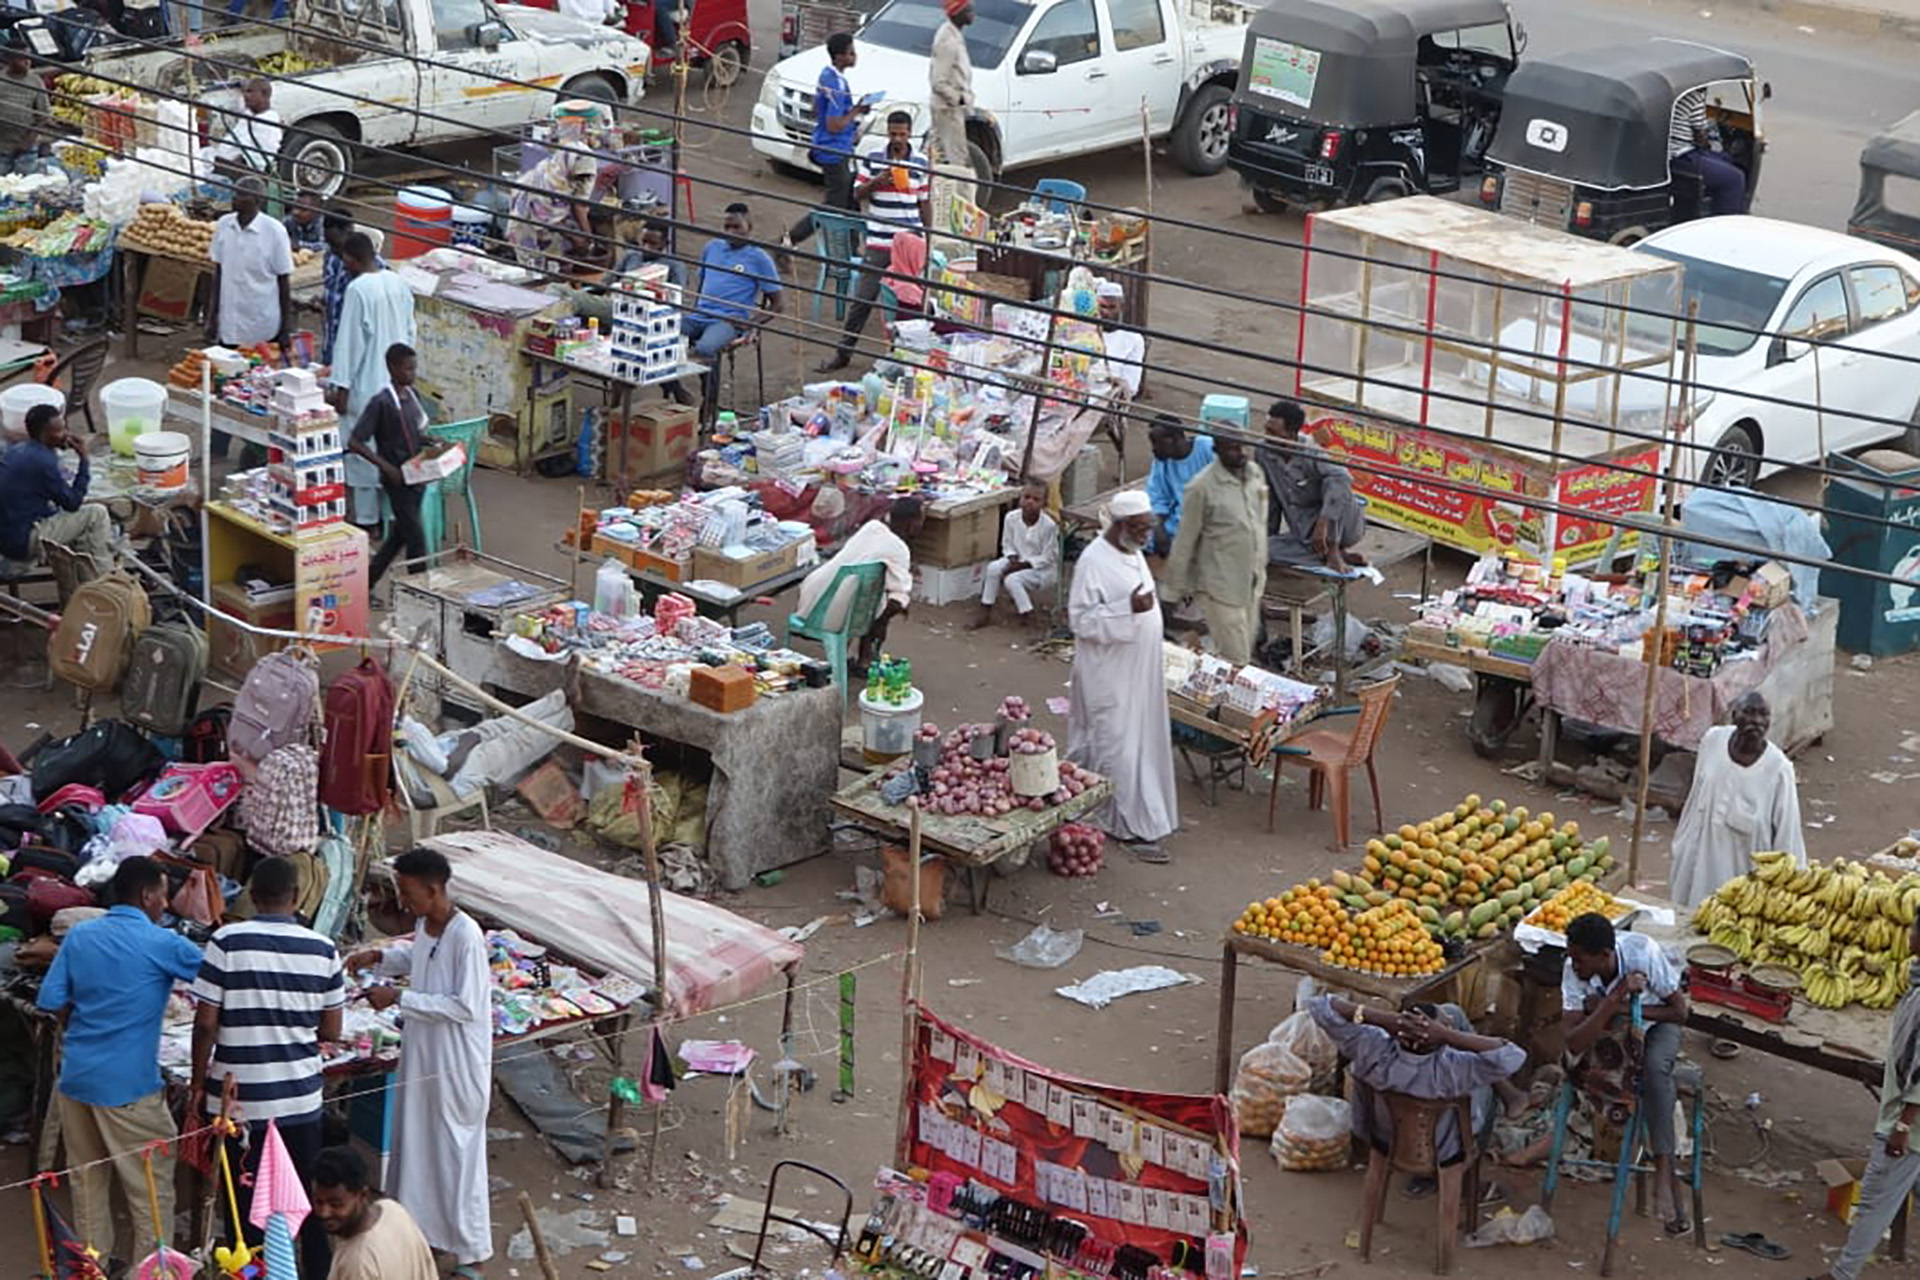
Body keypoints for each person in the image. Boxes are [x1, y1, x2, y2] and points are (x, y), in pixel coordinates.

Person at [35, 857, 204, 1269]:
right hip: (128, 1084)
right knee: (148, 1189)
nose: (166, 904)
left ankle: (93, 1270)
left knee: (88, 1184)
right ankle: (153, 1273)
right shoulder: (163, 943)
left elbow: (51, 1000)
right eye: (164, 894)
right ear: (148, 896)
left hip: (77, 1079)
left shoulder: (80, 937)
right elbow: (217, 978)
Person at [190, 856, 345, 1280]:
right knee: (306, 1199)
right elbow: (331, 1029)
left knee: (244, 1206)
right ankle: (314, 1271)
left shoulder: (226, 941)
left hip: (240, 1104)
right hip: (299, 1098)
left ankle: (255, 1271)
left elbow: (205, 1024)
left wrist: (197, 1084)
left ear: (253, 897)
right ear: (296, 898)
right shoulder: (324, 948)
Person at [343, 848, 492, 1276]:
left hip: (456, 1062)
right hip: (424, 1054)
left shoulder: (467, 936)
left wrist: (400, 998)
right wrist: (380, 958)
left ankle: (472, 1254)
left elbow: (465, 1005)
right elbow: (419, 958)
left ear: (433, 889)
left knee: (456, 1156)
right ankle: (424, 1238)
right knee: (421, 1150)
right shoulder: (428, 925)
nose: (403, 903)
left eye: (408, 893)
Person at [1308, 995, 1527, 1197]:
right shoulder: (1456, 1067)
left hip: (1382, 1139)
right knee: (1487, 1086)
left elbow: (1319, 1005)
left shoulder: (1371, 1047)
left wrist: (1385, 1019)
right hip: (1444, 1150)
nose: (1448, 1022)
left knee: (1453, 1011)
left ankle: (1512, 1097)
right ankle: (1466, 1182)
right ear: (1435, 1037)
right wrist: (1448, 1035)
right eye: (1444, 1024)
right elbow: (1514, 1056)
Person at [1562, 913, 1691, 1235]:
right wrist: (1616, 998)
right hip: (1611, 1033)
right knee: (1589, 1072)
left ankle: (1663, 1168)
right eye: (1571, 956)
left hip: (1657, 1025)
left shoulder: (1642, 952)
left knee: (1652, 1073)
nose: (1573, 965)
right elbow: (1574, 1041)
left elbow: (1679, 1012)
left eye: (1580, 959)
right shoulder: (1572, 970)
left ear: (1605, 955)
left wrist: (1612, 1008)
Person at [1067, 490, 1178, 860]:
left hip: (1139, 669)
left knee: (1139, 740)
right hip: (1108, 671)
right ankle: (1122, 824)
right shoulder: (1092, 561)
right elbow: (1080, 621)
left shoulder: (1132, 552)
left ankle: (1141, 811)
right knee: (1116, 744)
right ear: (1120, 526)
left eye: (1149, 528)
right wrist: (1126, 608)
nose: (1147, 535)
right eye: (1140, 528)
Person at [1810, 911, 1920, 1280]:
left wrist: (1903, 1126)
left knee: (1875, 1201)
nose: (1909, 934)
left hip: (1910, 1125)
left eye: (1914, 929)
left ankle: (1842, 1275)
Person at [817, 110, 934, 373]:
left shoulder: (921, 161)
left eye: (902, 134)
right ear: (887, 133)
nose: (898, 139)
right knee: (863, 300)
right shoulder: (872, 159)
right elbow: (857, 194)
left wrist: (929, 235)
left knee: (910, 302)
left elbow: (924, 201)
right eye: (893, 134)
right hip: (879, 241)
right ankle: (843, 353)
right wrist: (878, 181)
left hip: (909, 243)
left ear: (910, 133)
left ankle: (906, 358)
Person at [1670, 692, 1805, 909]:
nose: (1757, 721)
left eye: (1763, 715)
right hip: (1694, 865)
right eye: (1749, 713)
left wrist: (1788, 887)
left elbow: (1788, 835)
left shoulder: (1778, 769)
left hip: (1740, 880)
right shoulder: (1713, 741)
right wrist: (1682, 844)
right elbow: (1696, 796)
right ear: (1734, 716)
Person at [330, 232, 418, 529]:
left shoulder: (358, 290)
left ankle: (367, 520)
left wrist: (340, 387)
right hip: (395, 384)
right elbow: (410, 331)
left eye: (346, 260)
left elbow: (349, 343)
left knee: (364, 453)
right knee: (392, 449)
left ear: (352, 259)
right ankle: (392, 518)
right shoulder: (398, 282)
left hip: (366, 384)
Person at [1162, 436, 1268, 665]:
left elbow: (1258, 522)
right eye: (1232, 448)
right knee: (1236, 658)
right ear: (1217, 450)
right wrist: (1171, 594)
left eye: (1242, 446)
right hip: (1219, 585)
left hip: (1252, 580)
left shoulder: (1254, 473)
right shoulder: (1201, 487)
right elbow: (1184, 541)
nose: (1240, 452)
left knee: (1243, 652)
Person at [796, 496, 924, 666]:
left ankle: (859, 656)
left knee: (872, 596)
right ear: (912, 523)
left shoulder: (871, 528)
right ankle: (867, 659)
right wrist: (886, 617)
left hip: (811, 599)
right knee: (886, 604)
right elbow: (899, 595)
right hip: (833, 616)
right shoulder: (899, 549)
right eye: (921, 519)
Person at [677, 203, 782, 407]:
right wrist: (695, 309)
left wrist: (751, 324)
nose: (730, 233)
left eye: (736, 227)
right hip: (699, 316)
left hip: (728, 322)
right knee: (659, 334)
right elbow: (702, 284)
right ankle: (675, 390)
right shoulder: (712, 247)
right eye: (727, 227)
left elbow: (778, 304)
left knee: (706, 348)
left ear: (749, 226)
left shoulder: (759, 257)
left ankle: (710, 403)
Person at [347, 343, 430, 590]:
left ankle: (365, 583)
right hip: (397, 480)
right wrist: (386, 467)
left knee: (399, 536)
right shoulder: (381, 402)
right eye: (407, 369)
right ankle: (419, 592)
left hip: (416, 477)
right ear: (392, 368)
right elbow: (355, 442)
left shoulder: (412, 397)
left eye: (414, 369)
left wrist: (431, 441)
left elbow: (415, 433)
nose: (412, 374)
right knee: (417, 540)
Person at [0, 403, 113, 565]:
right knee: (96, 513)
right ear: (46, 434)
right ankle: (104, 579)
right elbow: (73, 503)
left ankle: (81, 572)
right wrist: (84, 460)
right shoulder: (43, 462)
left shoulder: (18, 450)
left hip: (8, 534)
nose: (65, 434)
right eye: (60, 430)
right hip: (23, 542)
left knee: (76, 520)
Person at [1260, 398, 1366, 571]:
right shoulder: (1263, 452)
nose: (1266, 436)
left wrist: (1323, 522)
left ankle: (1333, 551)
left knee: (1334, 482)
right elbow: (1271, 498)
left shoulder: (1311, 451)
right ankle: (1327, 555)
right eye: (1266, 430)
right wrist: (1269, 537)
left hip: (1341, 526)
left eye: (1273, 433)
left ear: (1292, 434)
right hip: (1305, 532)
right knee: (1260, 550)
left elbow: (1342, 479)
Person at [787, 32, 867, 248]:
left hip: (835, 147)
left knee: (850, 200)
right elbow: (833, 125)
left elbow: (816, 108)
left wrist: (850, 120)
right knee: (834, 205)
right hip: (834, 151)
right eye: (851, 52)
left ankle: (853, 250)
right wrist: (856, 111)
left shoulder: (827, 75)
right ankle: (788, 241)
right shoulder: (837, 84)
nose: (855, 56)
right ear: (840, 56)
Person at [311, 1145, 438, 1280]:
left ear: (362, 1195)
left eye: (336, 1205)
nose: (324, 1212)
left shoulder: (357, 1264)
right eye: (318, 1202)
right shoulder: (392, 1209)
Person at [972, 480, 1058, 631]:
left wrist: (1024, 565)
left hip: (1040, 570)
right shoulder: (1011, 518)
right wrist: (1012, 559)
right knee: (993, 568)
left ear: (1044, 504)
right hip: (1016, 559)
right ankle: (985, 608)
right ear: (1020, 498)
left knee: (1012, 580)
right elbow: (1007, 544)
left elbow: (1049, 556)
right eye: (1026, 497)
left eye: (1036, 499)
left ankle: (1028, 614)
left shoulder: (1049, 526)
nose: (1030, 502)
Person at [1668, 88, 1747, 216]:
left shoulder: (1675, 92)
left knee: (1726, 159)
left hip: (1668, 153)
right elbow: (1700, 136)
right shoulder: (1694, 96)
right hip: (1680, 156)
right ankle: (1726, 224)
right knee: (1736, 178)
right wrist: (1709, 144)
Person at [1144, 415, 1213, 558]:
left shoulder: (1208, 448)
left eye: (1157, 443)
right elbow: (1156, 497)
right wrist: (1159, 529)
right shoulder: (1162, 461)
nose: (1153, 449)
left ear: (1174, 439)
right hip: (1178, 523)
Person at [929, 0, 976, 204]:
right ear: (957, 13)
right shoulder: (947, 40)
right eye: (968, 9)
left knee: (944, 159)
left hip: (952, 108)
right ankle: (961, 207)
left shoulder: (954, 34)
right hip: (948, 109)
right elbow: (938, 82)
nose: (973, 13)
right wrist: (958, 98)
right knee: (957, 163)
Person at [208, 77, 284, 177]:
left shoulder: (267, 122)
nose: (246, 96)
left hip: (238, 170)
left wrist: (235, 163)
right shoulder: (249, 112)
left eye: (250, 92)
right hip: (222, 159)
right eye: (246, 92)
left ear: (264, 95)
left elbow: (261, 158)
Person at [0, 43, 50, 175]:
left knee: (25, 183)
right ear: (8, 59)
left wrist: (28, 140)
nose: (27, 62)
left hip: (26, 147)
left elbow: (43, 115)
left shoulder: (35, 81)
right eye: (22, 58)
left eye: (29, 57)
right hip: (2, 147)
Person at [318, 207, 358, 364]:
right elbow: (332, 291)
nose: (333, 250)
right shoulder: (332, 256)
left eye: (335, 244)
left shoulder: (368, 269)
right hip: (332, 344)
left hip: (352, 350)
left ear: (348, 231)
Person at [1096, 281, 1145, 398]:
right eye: (1102, 307)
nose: (1106, 313)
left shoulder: (1133, 339)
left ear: (1121, 307)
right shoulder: (1083, 333)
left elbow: (1131, 386)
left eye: (1112, 307)